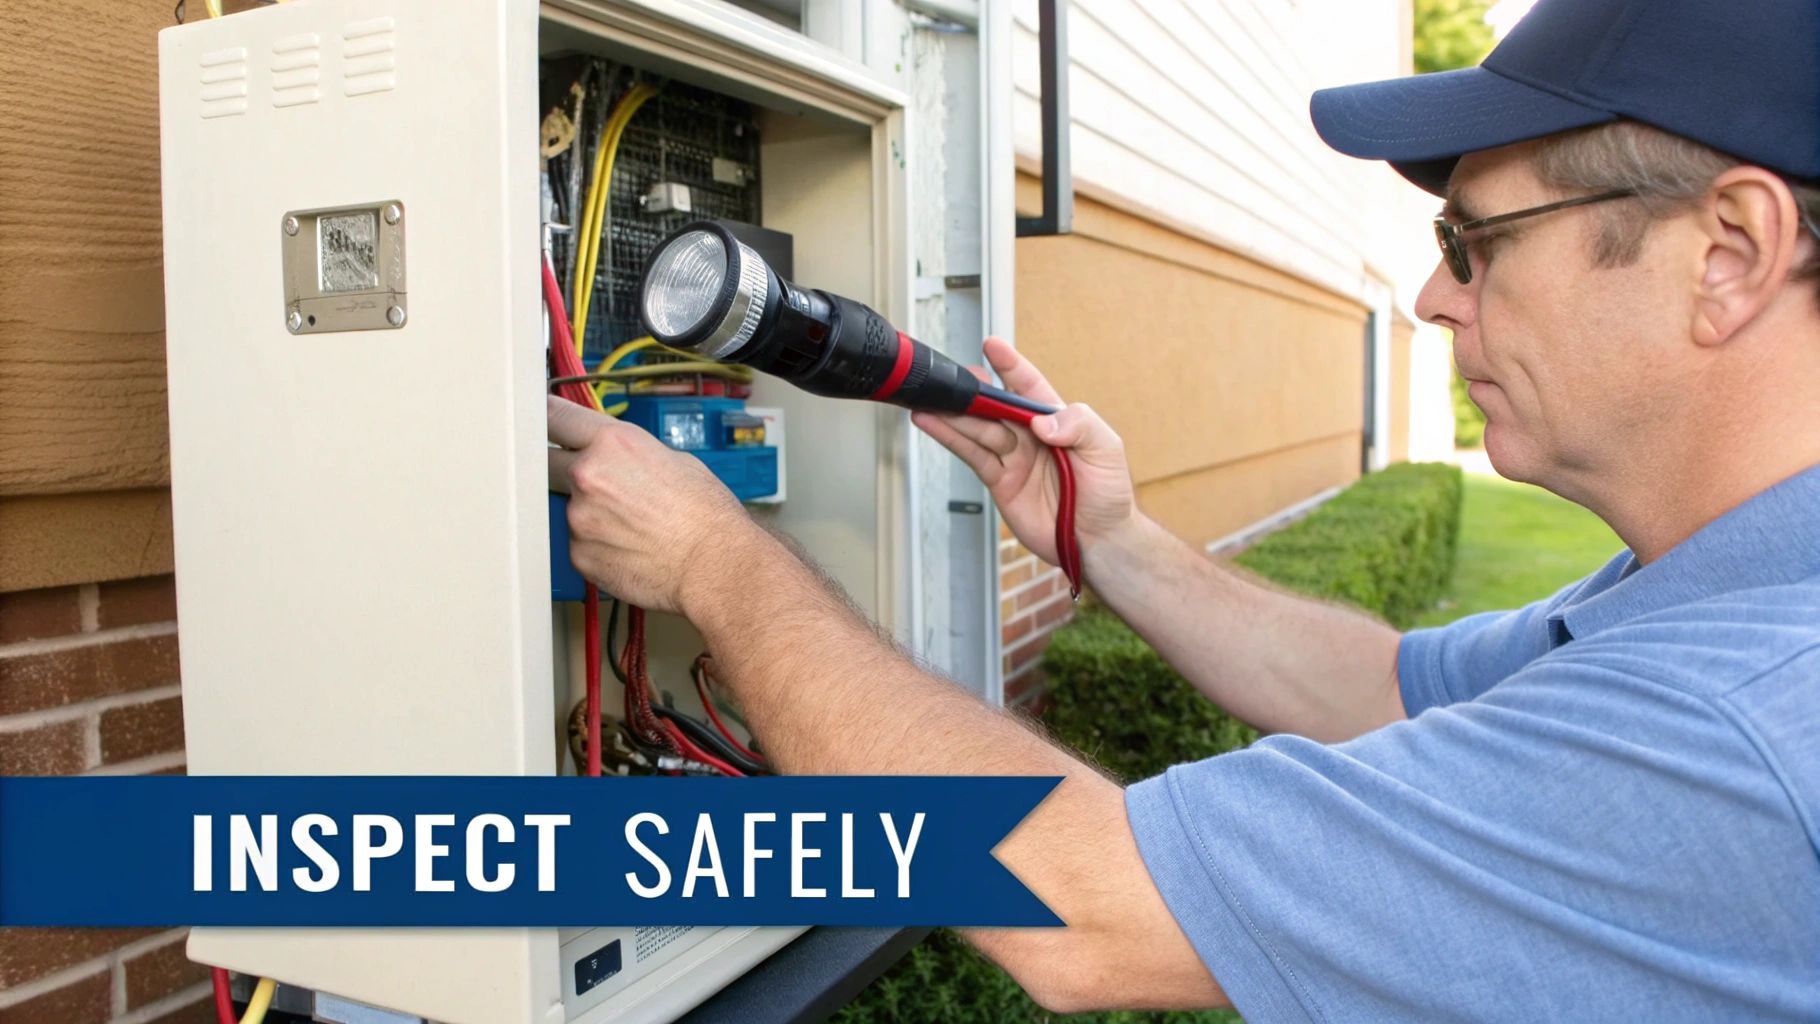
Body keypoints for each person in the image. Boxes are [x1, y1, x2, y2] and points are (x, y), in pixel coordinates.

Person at [546, 0, 1820, 1017]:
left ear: (1728, 251)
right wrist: (1117, 546)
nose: (1433, 298)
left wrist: (719, 561)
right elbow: (1380, 684)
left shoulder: (1731, 726)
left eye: (1474, 238)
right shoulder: (1724, 591)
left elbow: (1087, 906)